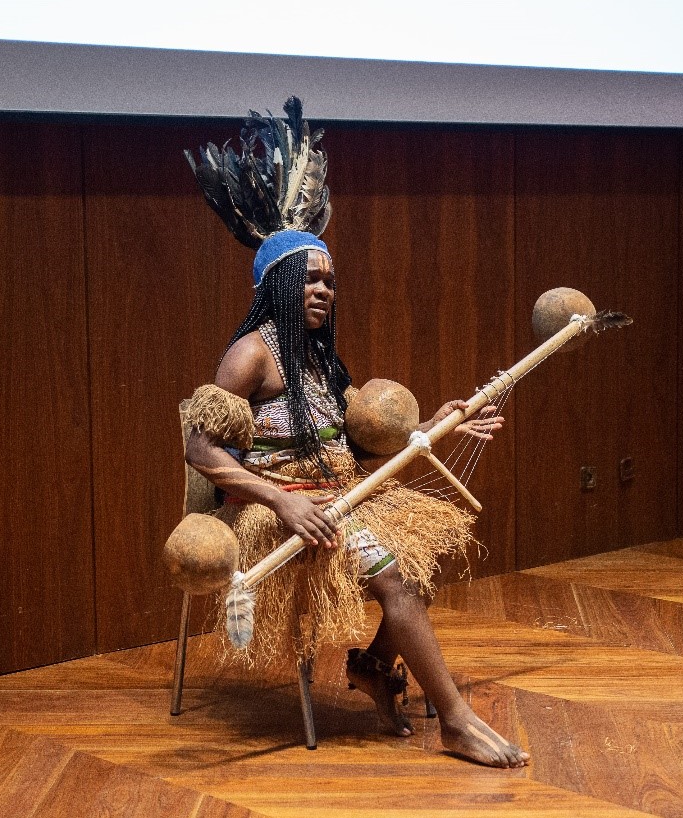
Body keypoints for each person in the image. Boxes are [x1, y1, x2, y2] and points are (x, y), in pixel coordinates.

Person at [181, 104, 528, 767]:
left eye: (329, 281)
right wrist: (280, 502)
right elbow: (200, 449)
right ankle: (456, 721)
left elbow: (361, 444)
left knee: (419, 561)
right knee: (395, 576)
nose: (323, 290)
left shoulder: (320, 362)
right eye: (310, 279)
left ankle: (371, 665)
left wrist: (432, 426)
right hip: (282, 511)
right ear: (278, 284)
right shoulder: (250, 356)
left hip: (341, 498)